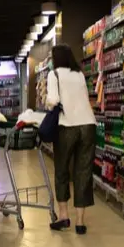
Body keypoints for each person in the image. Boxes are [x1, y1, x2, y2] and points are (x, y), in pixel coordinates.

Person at [45, 44, 97, 234]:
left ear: (55, 58)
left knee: (62, 171)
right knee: (83, 172)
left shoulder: (54, 75)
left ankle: (64, 216)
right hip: (88, 125)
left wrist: (47, 103)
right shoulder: (80, 74)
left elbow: (53, 100)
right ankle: (80, 222)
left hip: (66, 127)